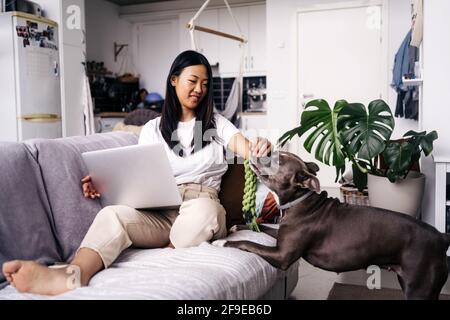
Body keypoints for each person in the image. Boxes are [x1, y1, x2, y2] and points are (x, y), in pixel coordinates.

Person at [2, 50, 273, 296]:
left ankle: (173, 244)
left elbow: (247, 150)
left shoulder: (216, 124)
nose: (199, 89)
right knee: (111, 215)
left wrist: (259, 148)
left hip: (200, 205)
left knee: (206, 213)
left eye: (204, 84)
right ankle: (73, 275)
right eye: (192, 81)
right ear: (174, 80)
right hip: (161, 210)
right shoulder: (153, 129)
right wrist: (104, 182)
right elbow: (139, 173)